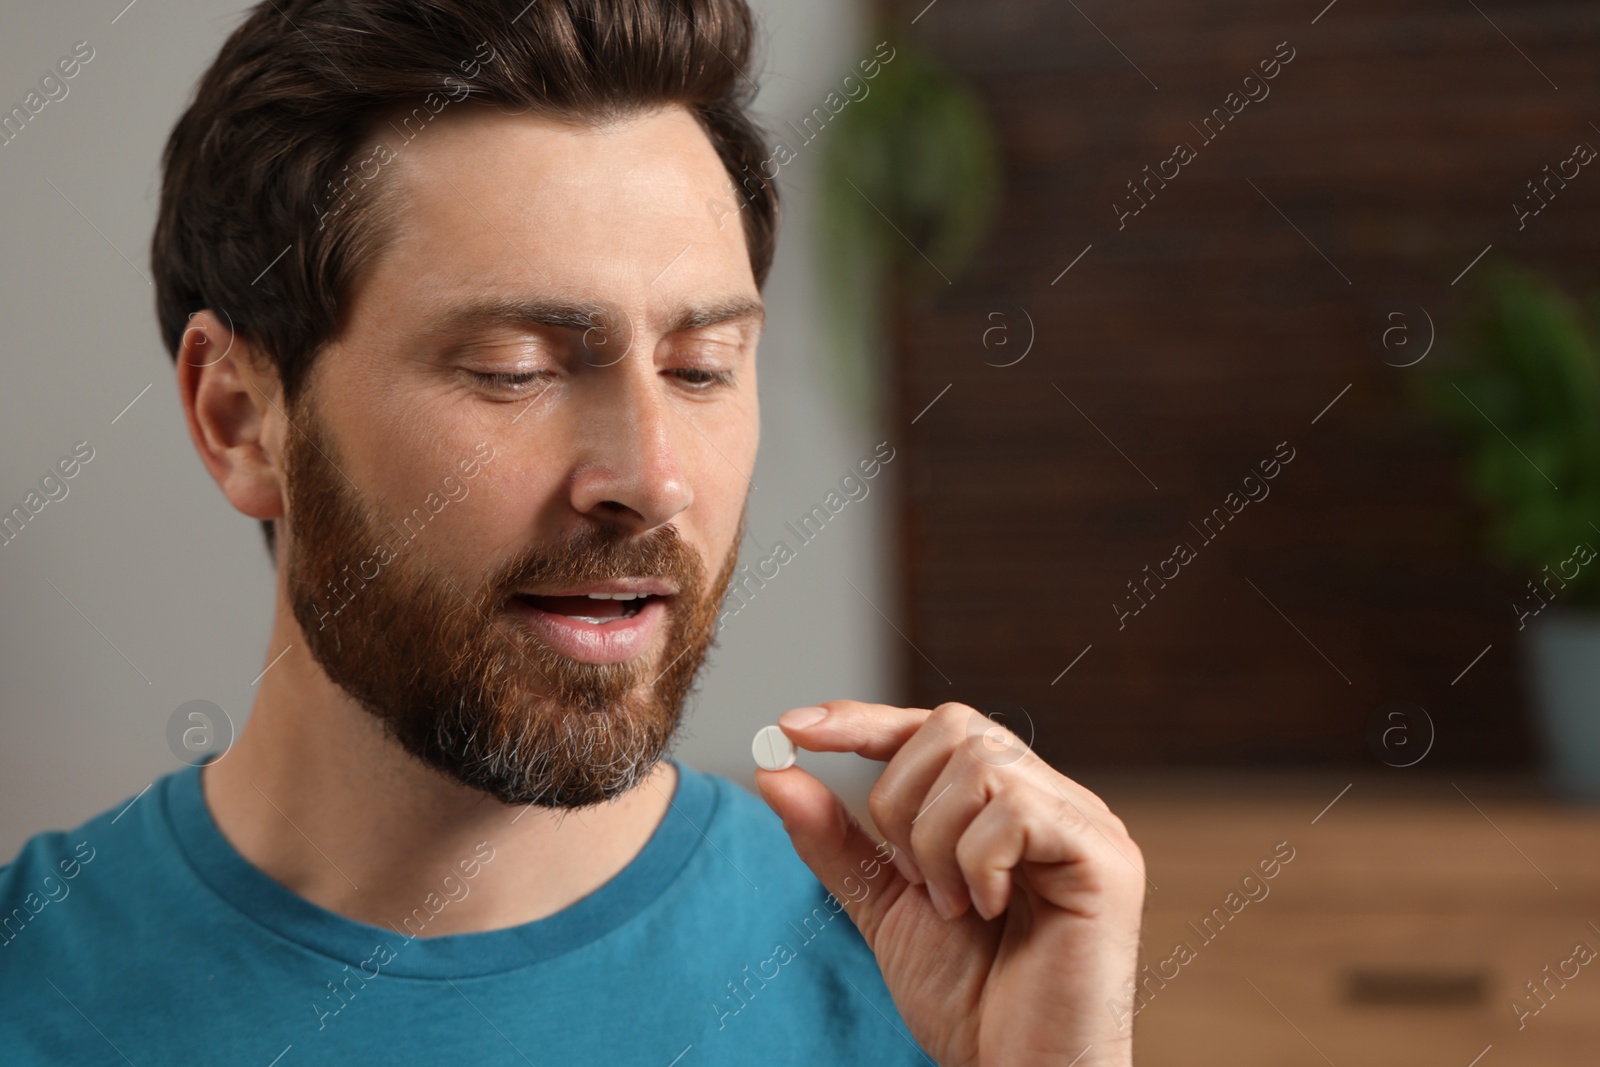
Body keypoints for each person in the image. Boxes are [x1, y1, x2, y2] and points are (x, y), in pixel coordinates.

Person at [0, 1, 1146, 1063]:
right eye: (517, 369)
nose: (650, 479)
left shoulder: (923, 985)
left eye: (701, 368)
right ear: (242, 418)